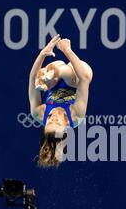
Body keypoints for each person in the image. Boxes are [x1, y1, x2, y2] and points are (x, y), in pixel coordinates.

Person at [28, 34, 93, 167]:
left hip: (54, 81)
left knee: (44, 73)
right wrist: (68, 51)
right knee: (74, 76)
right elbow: (84, 80)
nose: (52, 118)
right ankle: (53, 73)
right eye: (56, 122)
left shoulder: (39, 113)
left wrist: (42, 54)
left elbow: (32, 79)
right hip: (78, 75)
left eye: (49, 122)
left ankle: (51, 73)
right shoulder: (76, 115)